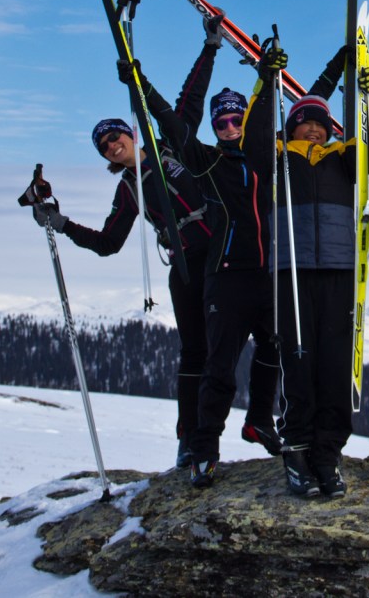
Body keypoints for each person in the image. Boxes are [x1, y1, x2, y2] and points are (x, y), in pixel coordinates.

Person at [30, 17, 274, 469]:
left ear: (132, 132)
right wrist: (61, 223)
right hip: (185, 268)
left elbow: (188, 101)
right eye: (104, 145)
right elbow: (107, 243)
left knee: (261, 340)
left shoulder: (174, 151)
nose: (112, 145)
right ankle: (191, 440)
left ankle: (261, 417)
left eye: (115, 135)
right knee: (197, 354)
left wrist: (210, 47)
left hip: (225, 255)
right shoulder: (129, 191)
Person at [121, 39, 288, 489]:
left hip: (266, 274)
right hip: (226, 277)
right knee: (218, 366)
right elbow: (173, 125)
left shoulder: (262, 158)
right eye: (223, 120)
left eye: (236, 118)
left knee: (274, 349)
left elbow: (268, 113)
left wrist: (268, 76)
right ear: (214, 126)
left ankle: (259, 421)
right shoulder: (205, 161)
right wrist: (140, 86)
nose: (230, 125)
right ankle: (203, 450)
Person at [260, 47, 369, 499]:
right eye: (304, 121)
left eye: (320, 122)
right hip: (292, 273)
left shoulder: (344, 158)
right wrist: (266, 79)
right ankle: (296, 449)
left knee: (337, 367)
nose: (314, 127)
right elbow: (252, 139)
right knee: (299, 363)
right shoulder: (277, 158)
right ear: (291, 127)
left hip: (341, 272)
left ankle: (328, 453)